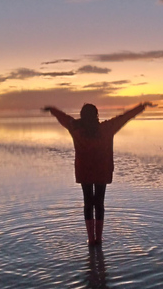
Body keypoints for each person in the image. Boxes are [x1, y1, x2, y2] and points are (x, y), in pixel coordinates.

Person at [43, 102, 154, 245]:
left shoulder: (75, 128)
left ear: (82, 116)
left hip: (85, 171)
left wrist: (52, 109)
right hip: (102, 171)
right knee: (99, 203)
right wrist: (141, 106)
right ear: (96, 116)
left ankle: (91, 238)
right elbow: (125, 117)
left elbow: (63, 117)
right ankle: (99, 239)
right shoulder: (106, 129)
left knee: (88, 203)